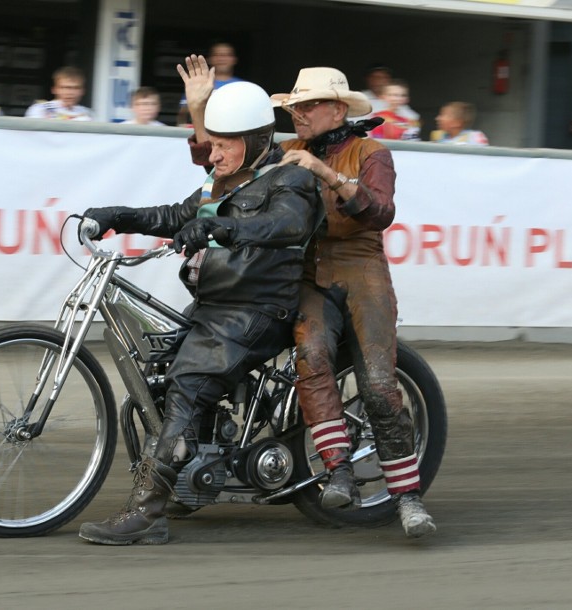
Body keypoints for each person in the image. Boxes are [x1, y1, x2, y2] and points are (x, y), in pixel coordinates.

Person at [183, 59, 436, 539]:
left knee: (380, 385)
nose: (296, 112)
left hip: (362, 272)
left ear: (336, 110)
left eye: (305, 105)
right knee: (312, 358)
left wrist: (322, 170)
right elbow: (224, 160)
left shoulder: (372, 153)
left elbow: (379, 212)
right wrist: (200, 111)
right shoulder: (286, 151)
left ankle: (408, 499)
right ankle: (336, 472)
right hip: (309, 275)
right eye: (293, 105)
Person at [77, 80, 320, 545]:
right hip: (213, 305)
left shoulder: (291, 177)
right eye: (214, 143)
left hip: (256, 309)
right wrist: (118, 216)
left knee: (188, 384)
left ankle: (148, 514)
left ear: (257, 141)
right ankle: (188, 476)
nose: (213, 154)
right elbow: (176, 215)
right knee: (159, 373)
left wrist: (221, 227)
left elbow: (285, 224)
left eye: (225, 144)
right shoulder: (225, 177)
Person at [176, 41, 241, 126]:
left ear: (234, 59)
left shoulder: (245, 87)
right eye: (216, 55)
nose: (221, 59)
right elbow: (183, 117)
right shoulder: (198, 83)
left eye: (227, 55)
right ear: (209, 59)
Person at [24, 66, 91, 121]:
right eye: (65, 87)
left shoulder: (88, 113)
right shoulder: (41, 109)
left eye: (76, 88)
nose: (70, 92)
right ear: (54, 90)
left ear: (83, 91)